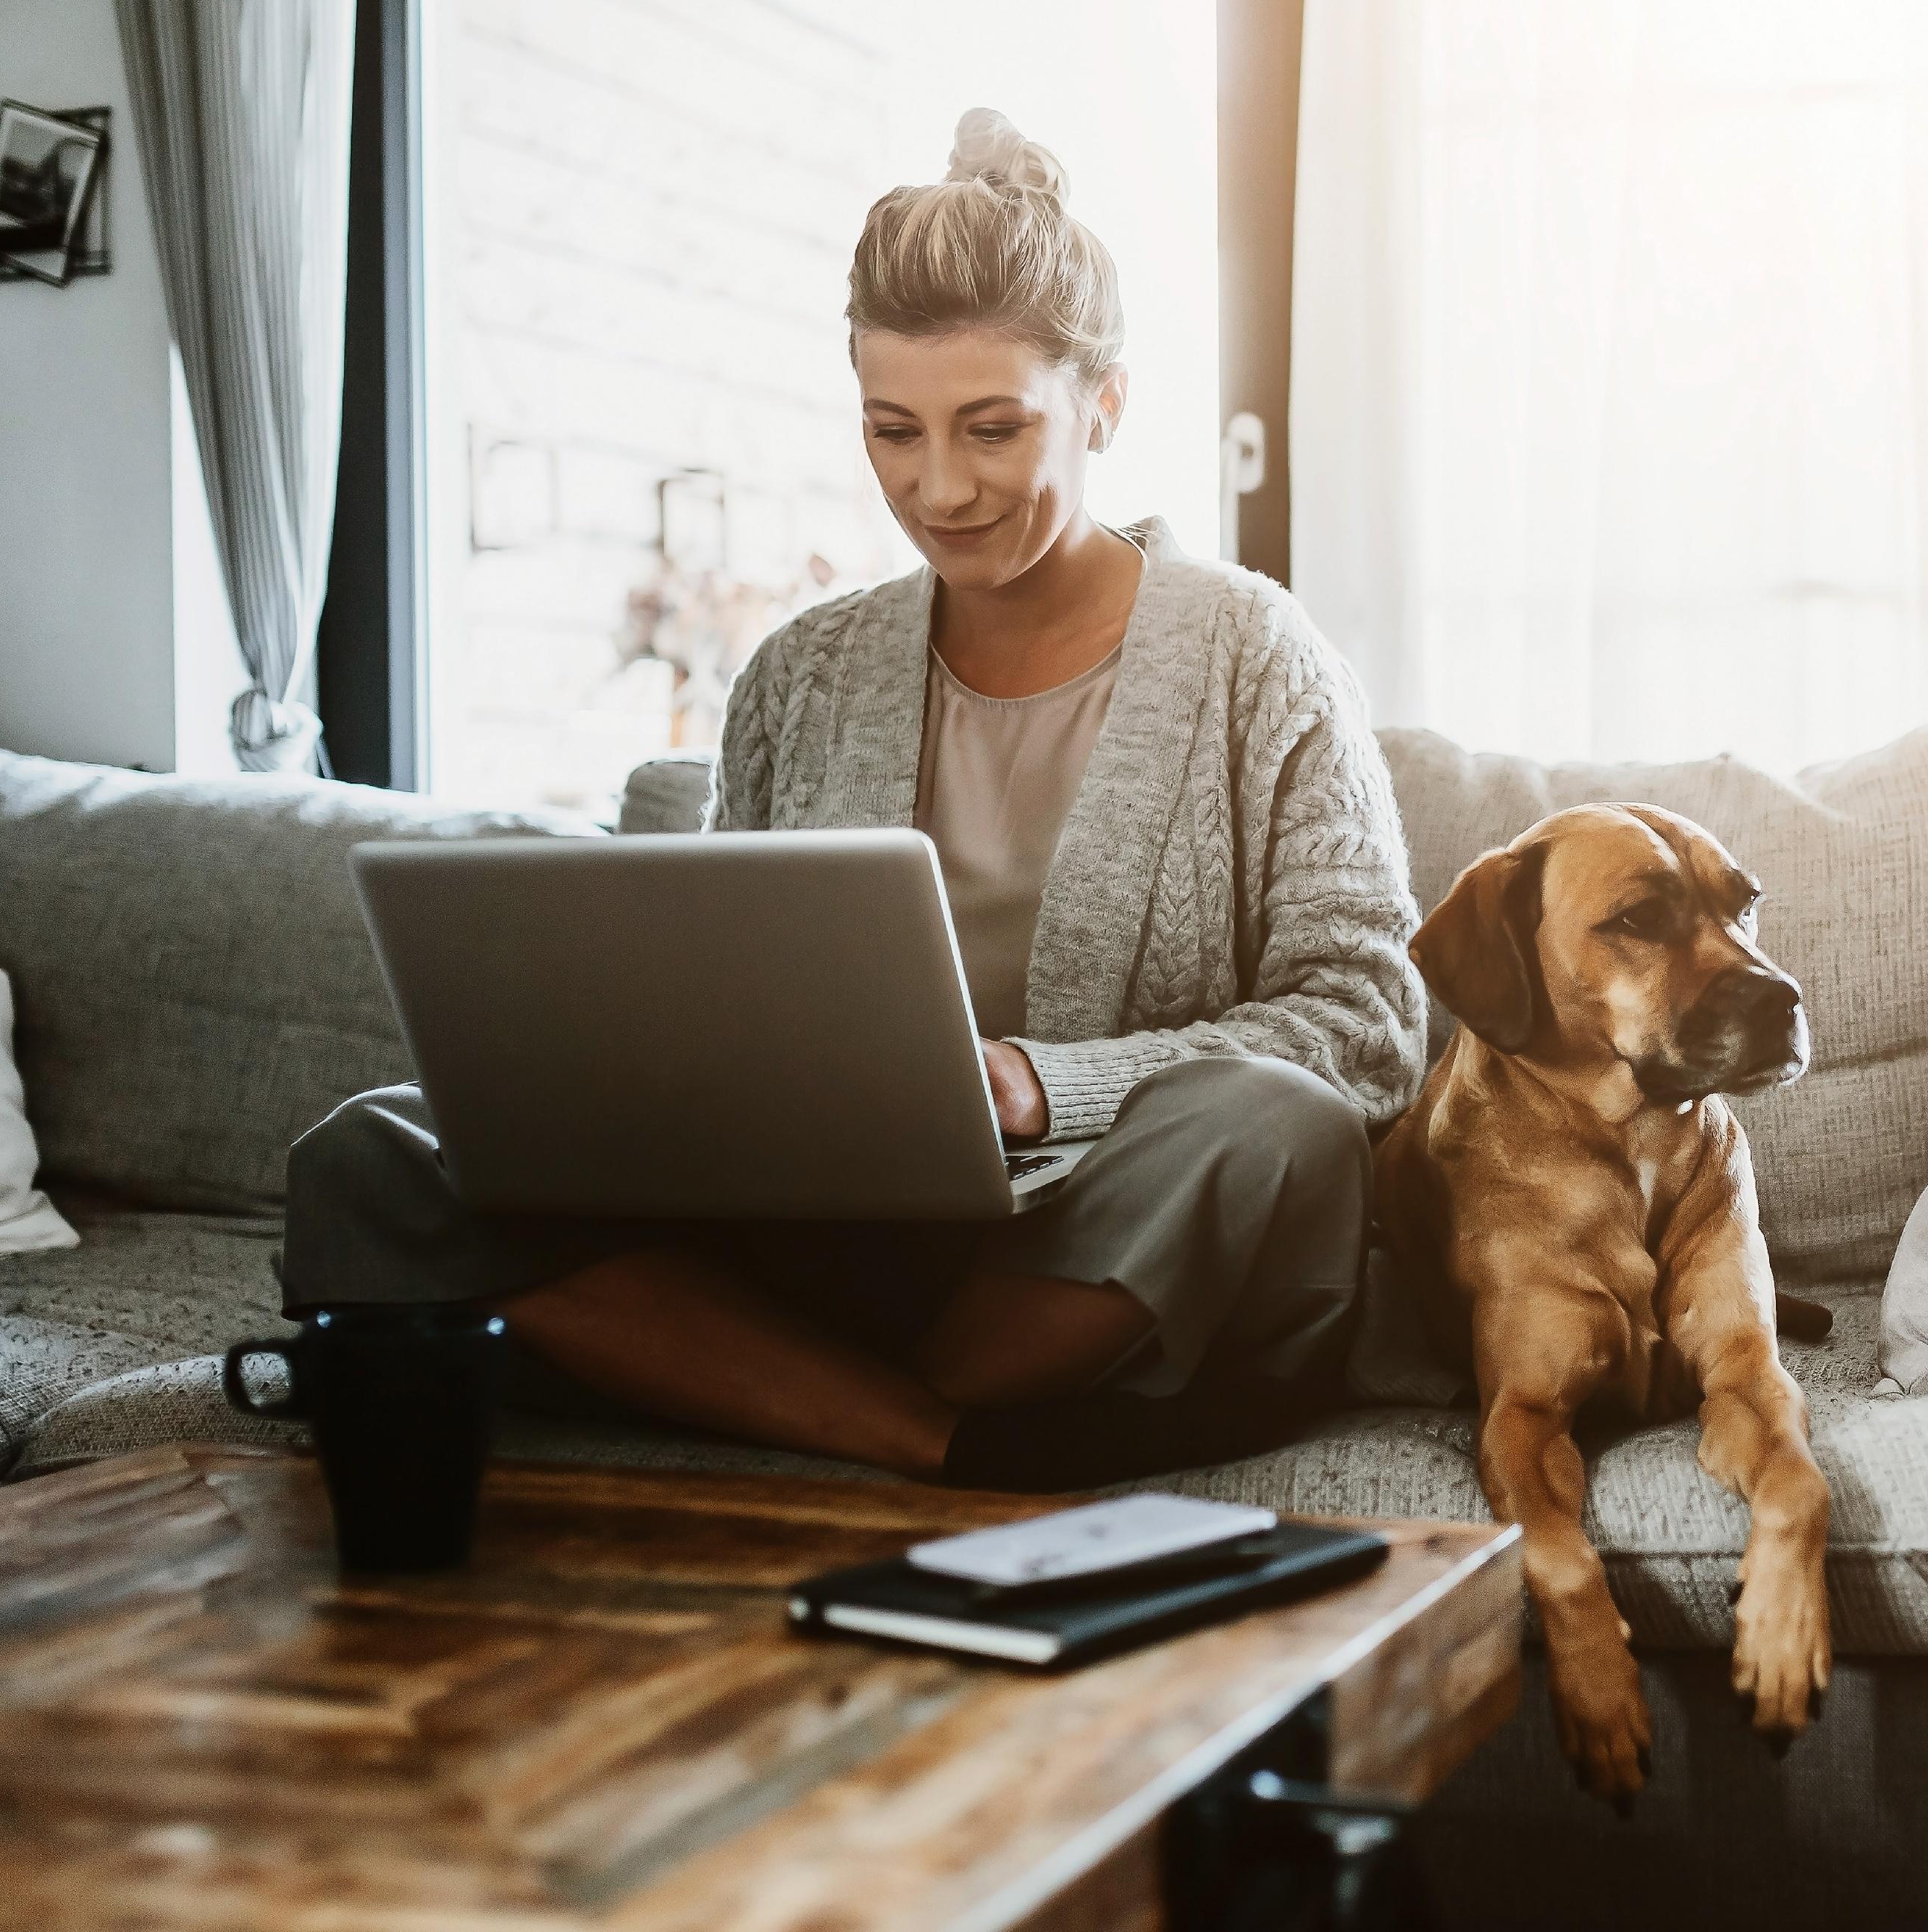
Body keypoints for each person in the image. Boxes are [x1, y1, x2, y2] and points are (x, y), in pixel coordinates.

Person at [278, 110, 1428, 1488]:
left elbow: (1363, 1027)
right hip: (823, 1235)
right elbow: (719, 990)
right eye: (893, 431)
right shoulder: (801, 673)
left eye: (992, 429)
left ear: (1104, 404)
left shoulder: (1257, 655)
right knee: (369, 1153)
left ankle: (744, 1377)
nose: (938, 487)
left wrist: (1034, 1086)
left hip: (1102, 1241)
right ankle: (944, 1441)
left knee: (1271, 1123)